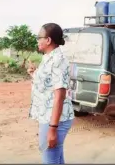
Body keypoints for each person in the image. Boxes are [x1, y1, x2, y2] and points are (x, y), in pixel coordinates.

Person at [27, 23, 74, 164]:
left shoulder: (58, 60)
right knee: (56, 158)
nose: (37, 40)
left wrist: (52, 129)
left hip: (55, 120)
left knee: (50, 159)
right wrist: (34, 74)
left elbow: (60, 96)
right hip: (48, 116)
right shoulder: (49, 57)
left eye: (38, 37)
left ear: (48, 40)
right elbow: (47, 84)